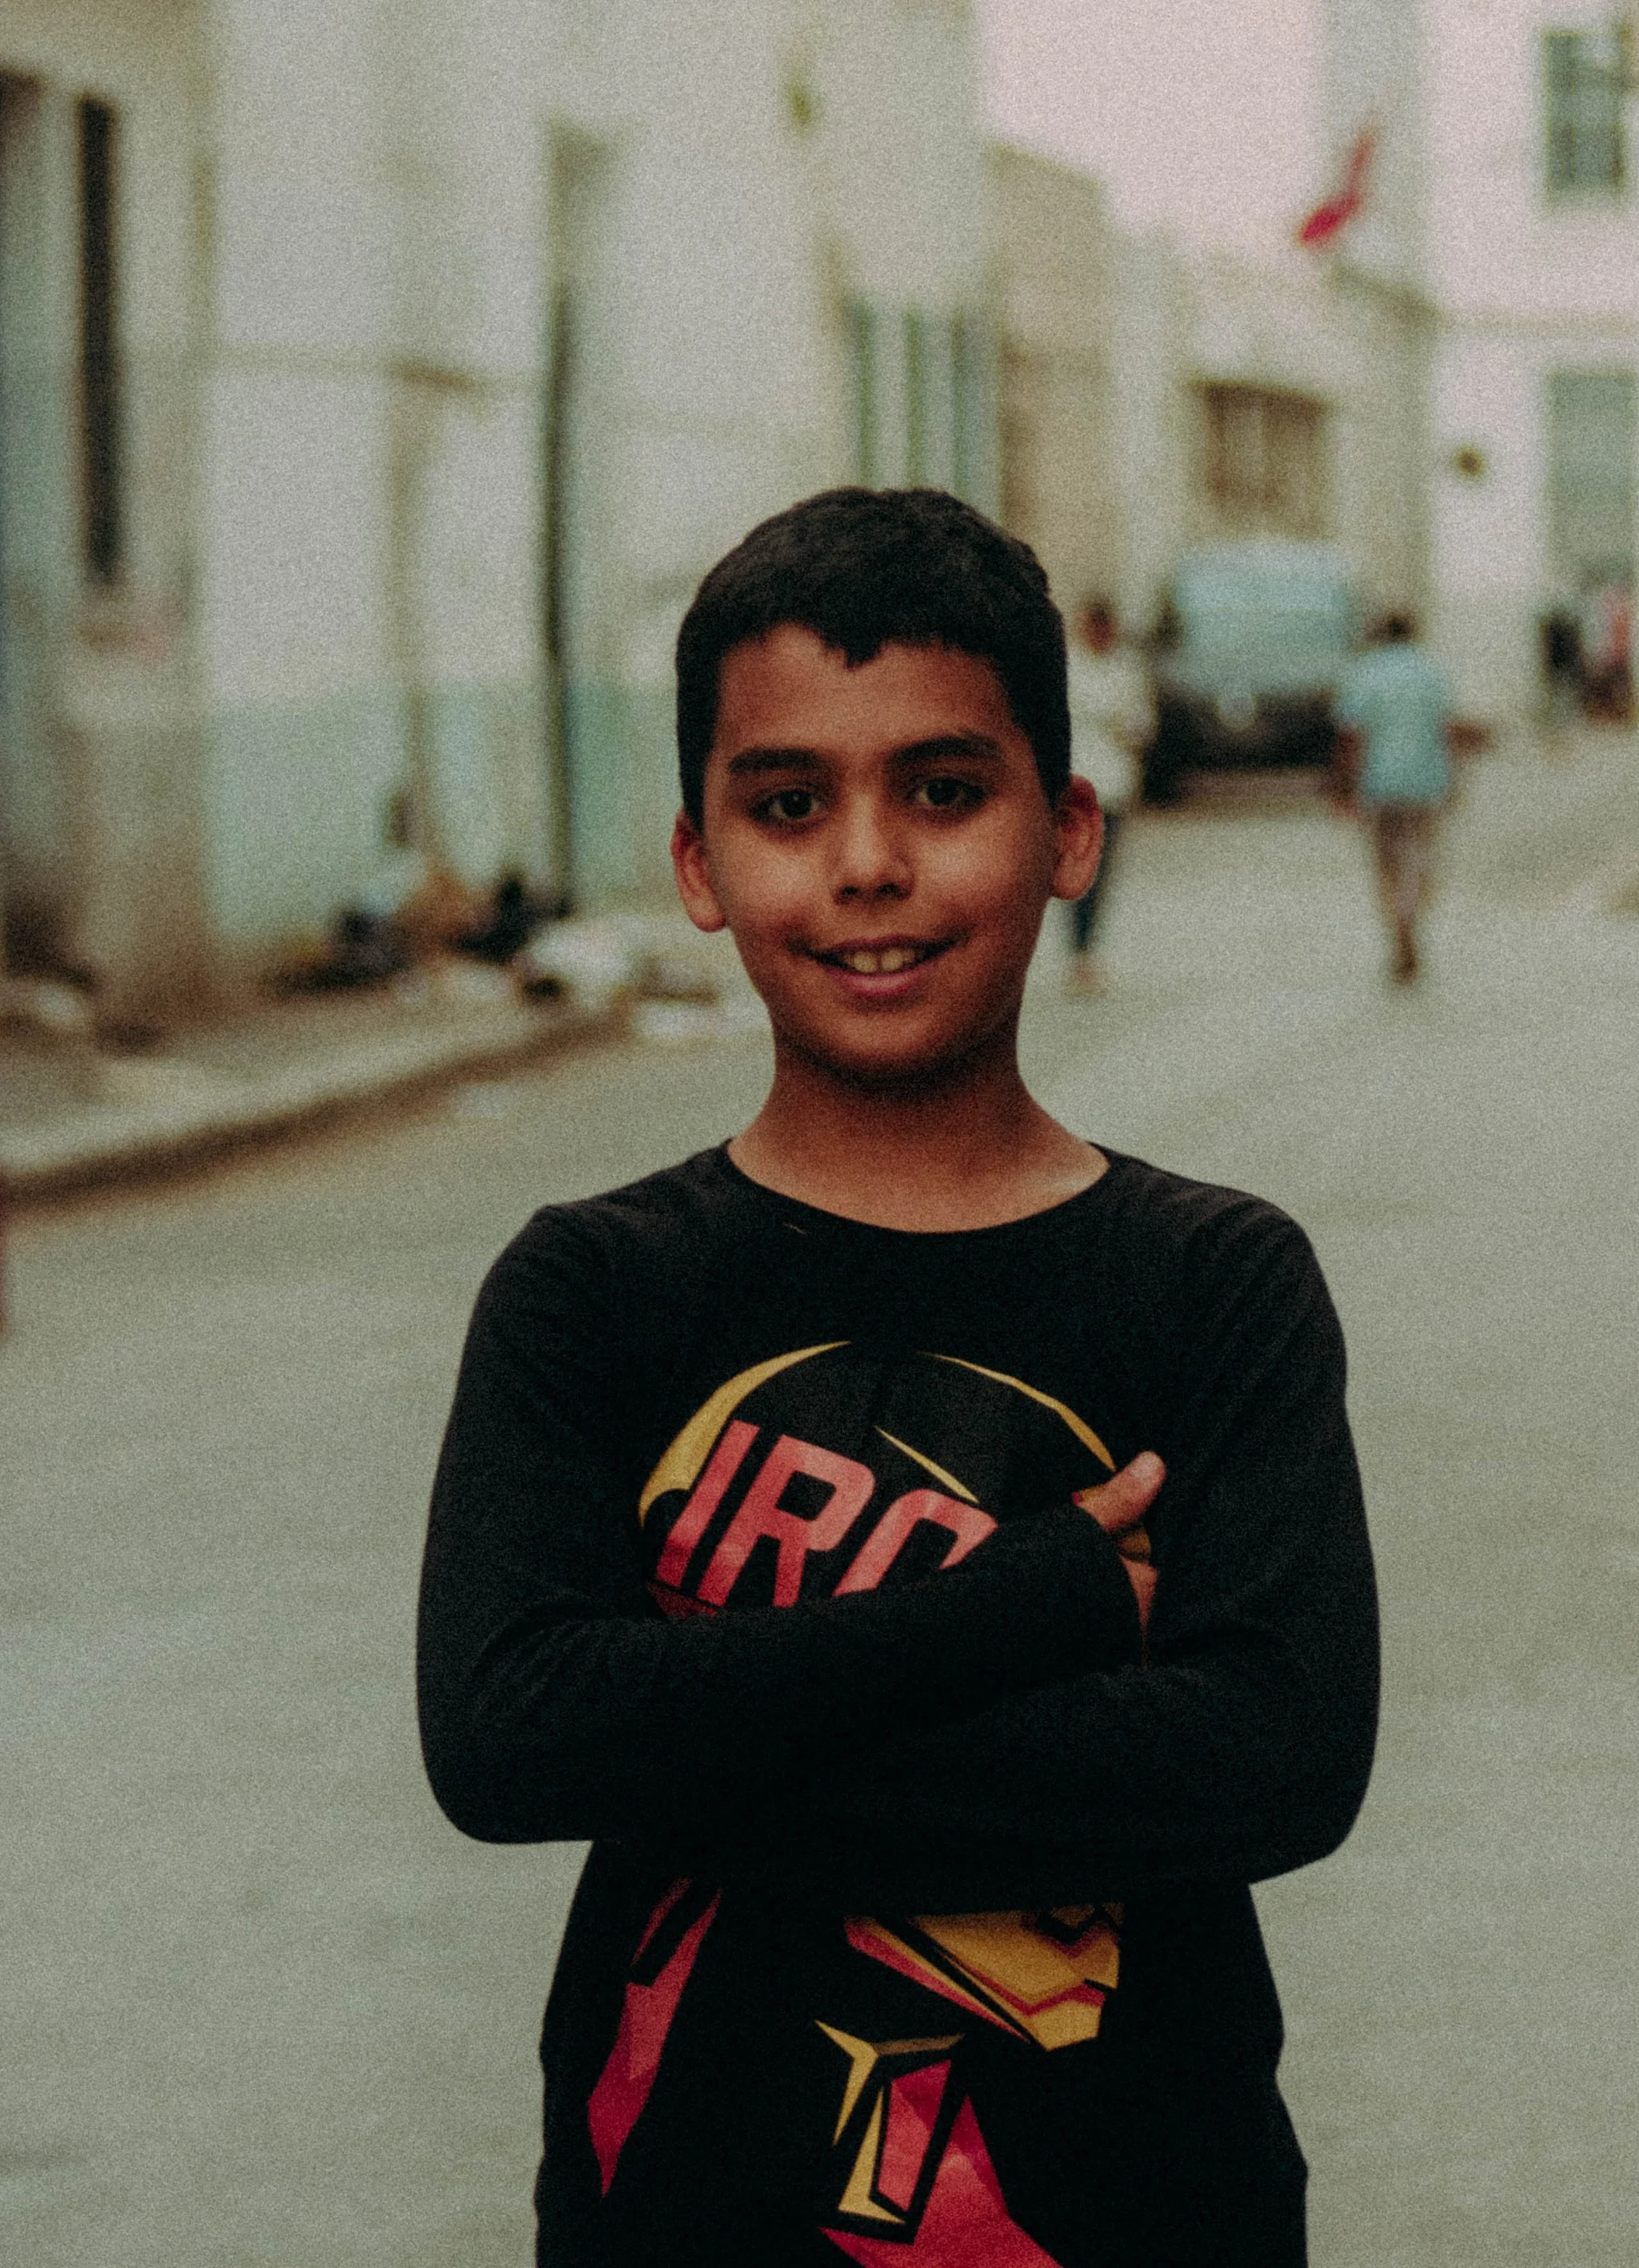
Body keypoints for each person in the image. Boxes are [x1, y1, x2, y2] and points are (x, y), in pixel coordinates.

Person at [418, 487, 1378, 2268]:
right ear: (698, 863)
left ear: (1069, 829)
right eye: (790, 804)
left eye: (943, 790)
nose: (868, 863)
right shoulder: (595, 1289)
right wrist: (1035, 1604)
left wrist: (687, 1735)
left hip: (1145, 2215)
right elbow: (505, 1732)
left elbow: (1277, 1759)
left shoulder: (1211, 1281)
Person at [1333, 610, 1456, 984]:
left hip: (1380, 782)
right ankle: (1411, 914)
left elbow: (1350, 735)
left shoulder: (1365, 672)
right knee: (1419, 854)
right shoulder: (1432, 671)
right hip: (1427, 780)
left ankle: (1397, 926)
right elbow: (1447, 728)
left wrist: (1344, 787)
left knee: (1386, 863)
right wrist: (1454, 783)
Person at [1063, 597, 1153, 995]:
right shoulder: (1068, 668)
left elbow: (1141, 726)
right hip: (1071, 782)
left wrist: (1128, 728)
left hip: (1112, 784)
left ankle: (1087, 951)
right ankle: (1077, 949)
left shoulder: (1127, 670)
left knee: (1099, 870)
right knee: (1071, 865)